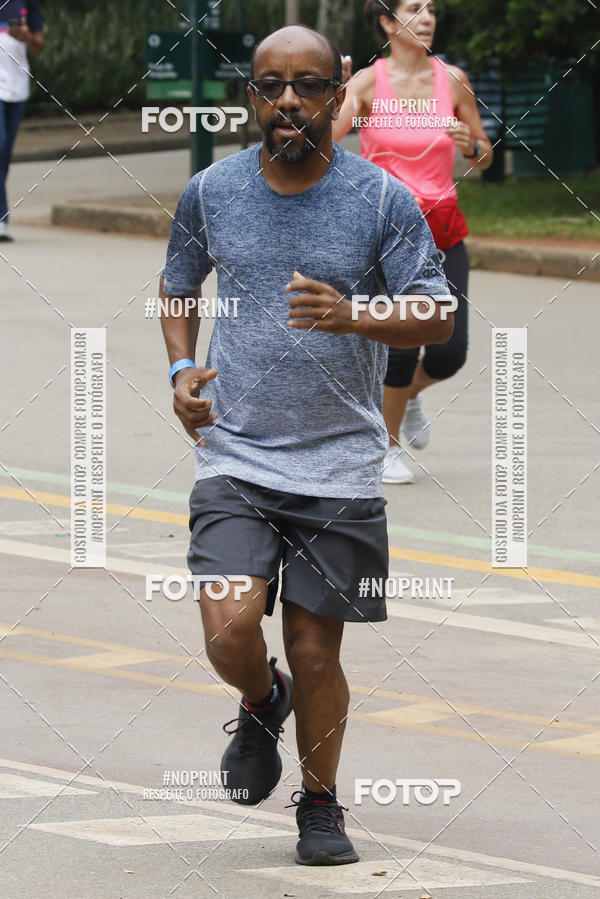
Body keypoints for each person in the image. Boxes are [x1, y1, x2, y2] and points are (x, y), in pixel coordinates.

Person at [159, 24, 453, 866]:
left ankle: (319, 806)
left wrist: (355, 312)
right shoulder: (211, 192)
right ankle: (260, 701)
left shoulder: (382, 200)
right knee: (228, 629)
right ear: (253, 94)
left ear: (340, 90)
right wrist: (183, 367)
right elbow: (179, 284)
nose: (288, 100)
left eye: (308, 84)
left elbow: (436, 311)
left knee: (318, 650)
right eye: (271, 85)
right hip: (235, 455)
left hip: (340, 463)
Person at [333, 0, 493, 483]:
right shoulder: (366, 83)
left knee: (449, 352)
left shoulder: (452, 79)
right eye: (414, 9)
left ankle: (410, 397)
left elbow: (483, 155)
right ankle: (388, 446)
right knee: (399, 348)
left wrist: (471, 144)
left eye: (432, 9)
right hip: (385, 233)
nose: (427, 18)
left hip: (443, 229)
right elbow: (321, 140)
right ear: (386, 22)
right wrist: (332, 95)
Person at [0, 1, 44, 242]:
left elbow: (39, 45)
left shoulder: (27, 4)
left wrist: (26, 36)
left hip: (17, 91)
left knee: (4, 155)